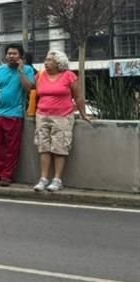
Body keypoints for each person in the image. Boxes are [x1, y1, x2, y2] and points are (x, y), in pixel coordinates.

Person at [32, 50, 92, 192]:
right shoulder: (40, 76)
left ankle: (57, 179)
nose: (46, 63)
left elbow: (78, 97)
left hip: (62, 116)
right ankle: (43, 179)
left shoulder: (69, 76)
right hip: (42, 115)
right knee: (43, 147)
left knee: (60, 147)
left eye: (49, 60)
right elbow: (32, 90)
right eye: (46, 60)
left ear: (59, 63)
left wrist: (83, 114)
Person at [0, 44, 36, 187]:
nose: (11, 56)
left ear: (20, 56)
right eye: (9, 53)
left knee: (12, 148)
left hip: (15, 115)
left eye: (14, 54)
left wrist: (21, 71)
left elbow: (28, 88)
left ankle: (6, 176)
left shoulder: (27, 70)